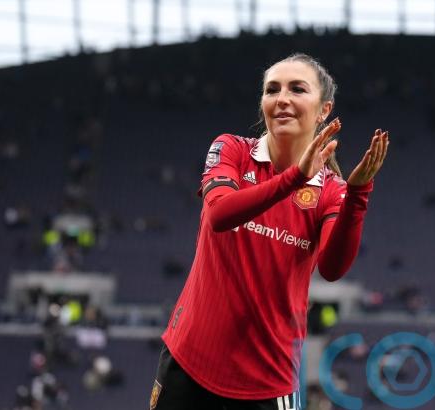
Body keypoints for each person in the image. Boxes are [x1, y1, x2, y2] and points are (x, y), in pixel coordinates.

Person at [151, 53, 389, 410]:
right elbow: (219, 214)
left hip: (267, 382)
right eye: (272, 89)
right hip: (188, 365)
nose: (282, 98)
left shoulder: (331, 191)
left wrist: (358, 195)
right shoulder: (231, 149)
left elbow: (332, 268)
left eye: (297, 89)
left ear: (324, 110)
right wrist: (294, 178)